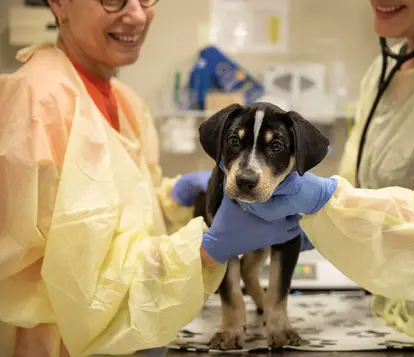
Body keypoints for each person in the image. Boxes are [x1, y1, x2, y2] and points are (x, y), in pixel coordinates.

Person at [173, 1, 414, 356]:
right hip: (393, 322)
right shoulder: (384, 70)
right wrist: (325, 225)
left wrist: (328, 202)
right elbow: (363, 181)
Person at [0, 0, 302, 356]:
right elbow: (49, 274)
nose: (138, 15)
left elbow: (122, 216)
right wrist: (202, 251)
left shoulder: (125, 101)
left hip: (136, 335)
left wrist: (176, 199)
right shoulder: (36, 101)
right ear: (60, 3)